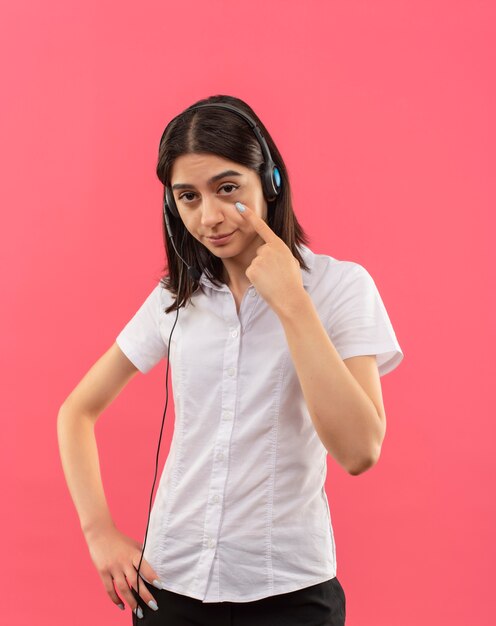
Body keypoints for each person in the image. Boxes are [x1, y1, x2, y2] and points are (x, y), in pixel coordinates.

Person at [57, 94, 404, 626]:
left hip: (289, 592)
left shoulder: (339, 289)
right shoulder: (175, 299)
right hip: (168, 586)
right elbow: (76, 411)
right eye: (188, 197)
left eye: (227, 188)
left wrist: (293, 304)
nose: (210, 216)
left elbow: (360, 450)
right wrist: (98, 532)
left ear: (270, 183)